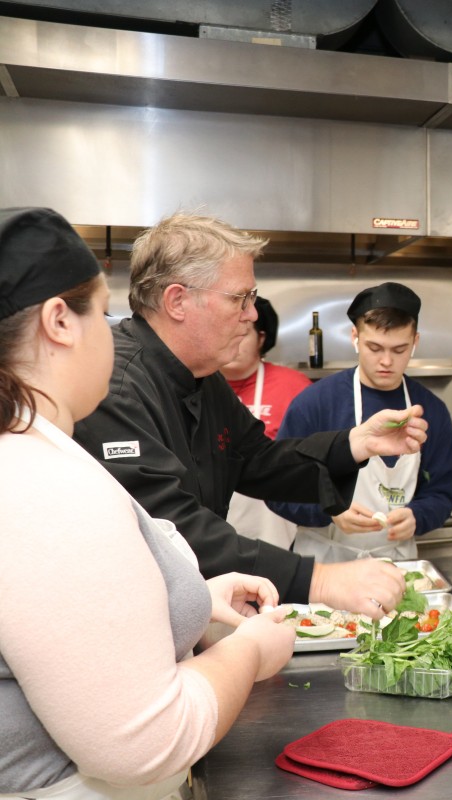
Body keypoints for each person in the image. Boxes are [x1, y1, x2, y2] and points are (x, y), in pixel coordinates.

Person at [0, 207, 295, 798]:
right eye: (103, 311)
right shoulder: (45, 488)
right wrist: (252, 653)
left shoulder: (34, 454)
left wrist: (191, 599)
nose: (117, 330)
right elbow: (145, 743)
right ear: (60, 322)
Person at [72, 212, 428, 618]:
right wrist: (321, 581)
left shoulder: (202, 376)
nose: (252, 314)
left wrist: (354, 444)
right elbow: (167, 527)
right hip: (128, 616)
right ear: (177, 301)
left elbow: (259, 459)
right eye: (240, 298)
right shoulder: (115, 385)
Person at [269, 282, 452, 562]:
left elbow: (442, 491)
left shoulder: (430, 410)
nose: (386, 361)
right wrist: (330, 510)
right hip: (326, 564)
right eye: (374, 347)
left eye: (399, 349)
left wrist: (419, 516)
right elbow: (279, 488)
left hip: (396, 563)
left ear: (415, 342)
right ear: (355, 337)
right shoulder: (315, 403)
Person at [219, 295, 311, 549]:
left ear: (261, 338)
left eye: (244, 333)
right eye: (227, 329)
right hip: (211, 528)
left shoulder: (294, 386)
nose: (235, 340)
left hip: (275, 531)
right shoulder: (197, 385)